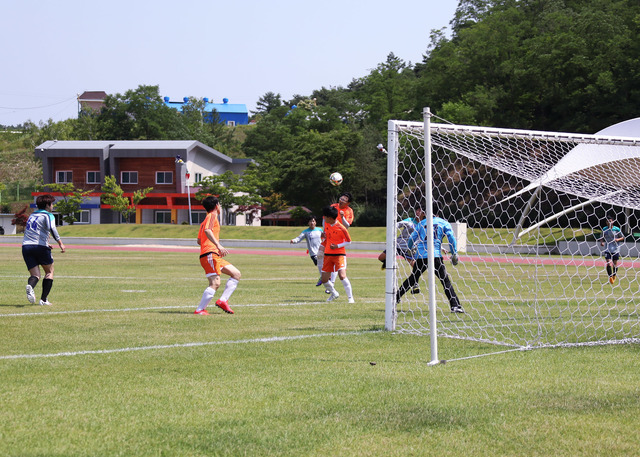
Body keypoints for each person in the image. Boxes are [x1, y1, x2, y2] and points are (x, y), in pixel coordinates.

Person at [396, 204, 464, 314]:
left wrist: (410, 248)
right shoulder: (443, 222)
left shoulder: (422, 223)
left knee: (413, 278)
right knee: (445, 280)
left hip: (422, 256)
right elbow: (451, 237)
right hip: (435, 255)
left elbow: (412, 237)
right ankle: (455, 306)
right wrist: (454, 252)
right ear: (438, 212)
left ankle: (396, 297)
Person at [194, 196, 241, 315]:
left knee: (236, 274)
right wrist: (218, 245)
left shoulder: (204, 220)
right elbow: (207, 231)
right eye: (219, 204)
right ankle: (200, 310)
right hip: (210, 254)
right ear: (216, 205)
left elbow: (199, 241)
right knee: (215, 283)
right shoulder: (212, 216)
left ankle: (223, 301)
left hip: (212, 254)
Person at [22, 194, 66, 306]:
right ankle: (43, 300)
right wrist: (60, 243)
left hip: (26, 247)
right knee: (49, 272)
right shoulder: (48, 215)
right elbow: (52, 229)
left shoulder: (32, 215)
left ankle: (30, 286)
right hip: (40, 247)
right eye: (52, 204)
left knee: (35, 275)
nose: (53, 206)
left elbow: (34, 232)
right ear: (47, 205)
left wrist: (46, 243)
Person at [378, 210, 423, 294]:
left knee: (416, 266)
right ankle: (389, 262)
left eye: (420, 211)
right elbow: (398, 224)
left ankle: (415, 285)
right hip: (398, 245)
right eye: (417, 210)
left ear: (424, 213)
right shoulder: (410, 220)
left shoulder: (424, 224)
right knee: (381, 257)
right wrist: (394, 226)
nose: (417, 212)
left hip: (409, 248)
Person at [320, 205, 354, 303]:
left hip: (339, 254)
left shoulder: (341, 228)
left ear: (329, 218)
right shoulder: (326, 225)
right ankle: (334, 293)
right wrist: (322, 237)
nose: (324, 218)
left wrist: (337, 246)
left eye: (325, 217)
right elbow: (326, 238)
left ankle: (350, 298)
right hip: (328, 254)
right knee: (324, 279)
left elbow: (349, 241)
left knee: (342, 275)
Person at [290, 215, 324, 286]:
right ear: (308, 223)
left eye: (313, 221)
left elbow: (325, 238)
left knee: (322, 265)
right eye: (310, 221)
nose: (312, 222)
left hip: (321, 251)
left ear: (315, 222)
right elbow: (299, 238)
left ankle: (324, 278)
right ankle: (324, 278)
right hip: (313, 253)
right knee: (319, 264)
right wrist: (294, 240)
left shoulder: (319, 230)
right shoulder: (306, 232)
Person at [599, 213, 625, 284]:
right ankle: (610, 277)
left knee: (615, 264)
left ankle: (614, 275)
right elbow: (601, 237)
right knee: (608, 262)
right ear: (606, 222)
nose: (609, 222)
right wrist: (601, 242)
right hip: (607, 248)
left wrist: (617, 240)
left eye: (610, 221)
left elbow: (623, 237)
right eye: (607, 221)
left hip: (616, 248)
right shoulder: (604, 229)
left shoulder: (617, 229)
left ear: (613, 221)